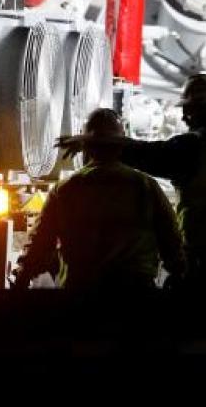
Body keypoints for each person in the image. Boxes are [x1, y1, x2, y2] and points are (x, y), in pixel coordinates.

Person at [58, 73, 206, 289]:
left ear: (205, 110)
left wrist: (95, 140)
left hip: (205, 257)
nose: (184, 118)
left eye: (188, 111)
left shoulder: (195, 147)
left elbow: (148, 154)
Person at [12, 108, 186, 291]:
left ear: (87, 147)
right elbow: (170, 239)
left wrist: (22, 278)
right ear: (121, 146)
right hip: (134, 291)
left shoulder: (66, 188)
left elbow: (41, 242)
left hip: (79, 290)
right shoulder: (145, 186)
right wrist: (179, 273)